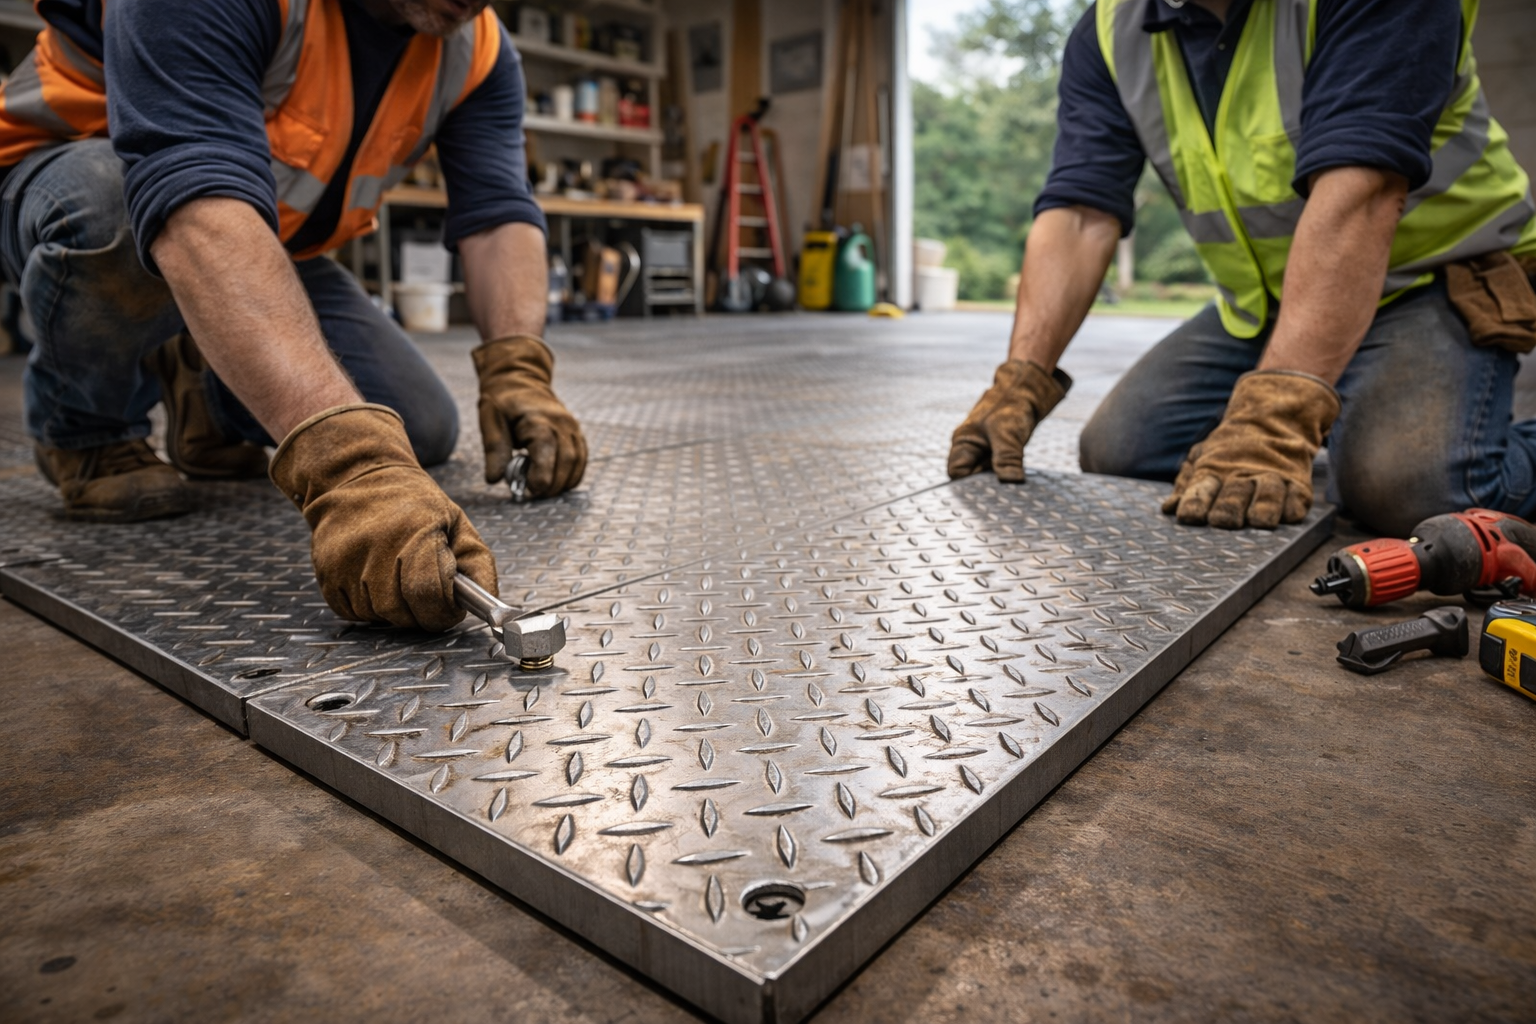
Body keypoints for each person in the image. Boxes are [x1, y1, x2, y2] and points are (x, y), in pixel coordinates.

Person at [0, 0, 588, 631]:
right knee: (112, 208)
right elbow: (189, 197)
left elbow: (499, 215)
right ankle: (89, 434)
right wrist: (349, 467)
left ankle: (201, 371)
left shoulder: (480, 50)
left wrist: (518, 367)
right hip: (72, 185)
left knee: (417, 426)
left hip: (257, 236)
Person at [948, 0, 1536, 537]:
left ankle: (1373, 430)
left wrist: (1273, 419)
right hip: (1267, 299)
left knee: (1409, 492)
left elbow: (1364, 192)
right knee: (1121, 452)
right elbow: (1079, 212)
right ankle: (1348, 411)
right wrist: (1021, 378)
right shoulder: (1109, 32)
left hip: (1431, 276)